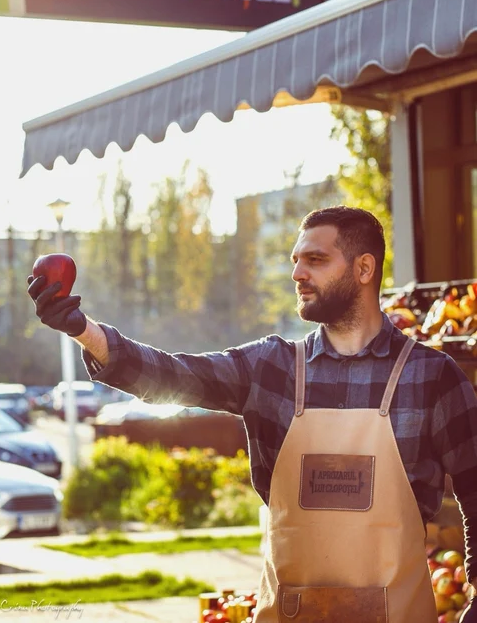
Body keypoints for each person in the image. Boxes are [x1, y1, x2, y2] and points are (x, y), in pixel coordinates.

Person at [28, 206, 477, 623]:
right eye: (295, 260)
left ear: (364, 269)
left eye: (316, 260)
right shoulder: (272, 368)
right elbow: (174, 373)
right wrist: (83, 331)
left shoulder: (432, 377)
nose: (297, 273)